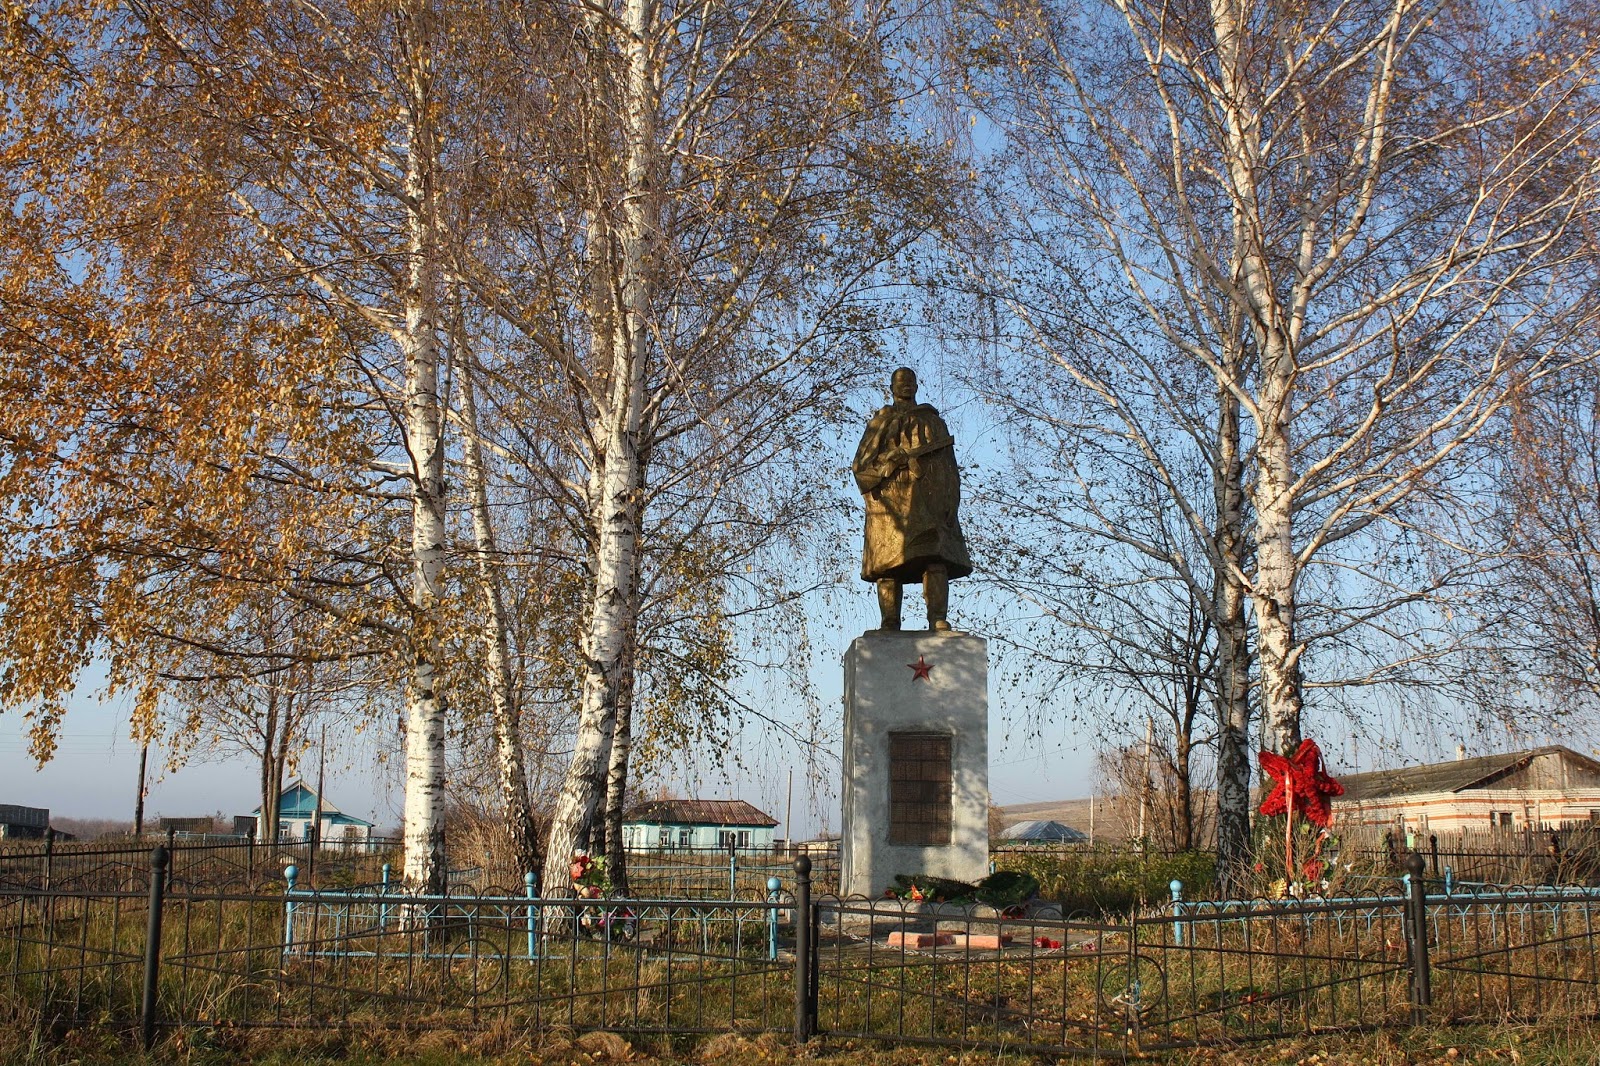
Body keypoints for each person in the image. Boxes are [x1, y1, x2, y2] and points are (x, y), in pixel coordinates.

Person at [852, 367, 972, 630]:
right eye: (900, 381)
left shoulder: (932, 421)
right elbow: (861, 465)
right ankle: (890, 621)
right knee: (887, 566)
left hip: (927, 500)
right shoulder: (880, 422)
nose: (906, 385)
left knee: (935, 559)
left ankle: (937, 618)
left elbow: (948, 466)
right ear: (892, 387)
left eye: (910, 381)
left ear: (917, 386)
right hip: (888, 503)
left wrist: (951, 499)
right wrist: (890, 461)